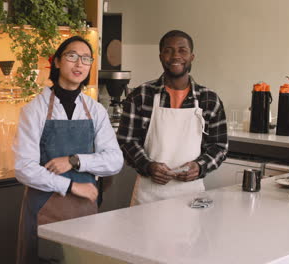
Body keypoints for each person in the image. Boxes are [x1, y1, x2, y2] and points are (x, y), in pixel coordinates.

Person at [14, 36, 123, 264]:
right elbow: (24, 168)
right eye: (72, 56)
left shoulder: (96, 110)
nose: (79, 64)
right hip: (44, 208)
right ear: (56, 62)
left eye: (85, 59)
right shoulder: (34, 110)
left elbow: (115, 160)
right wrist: (72, 185)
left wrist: (75, 161)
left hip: (84, 210)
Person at [117, 30, 228, 205]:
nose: (176, 56)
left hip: (191, 195)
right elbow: (126, 141)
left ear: (192, 56)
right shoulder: (140, 95)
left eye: (182, 50)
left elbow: (219, 146)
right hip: (148, 196)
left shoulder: (209, 99)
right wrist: (147, 166)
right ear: (161, 56)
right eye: (168, 50)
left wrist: (200, 167)